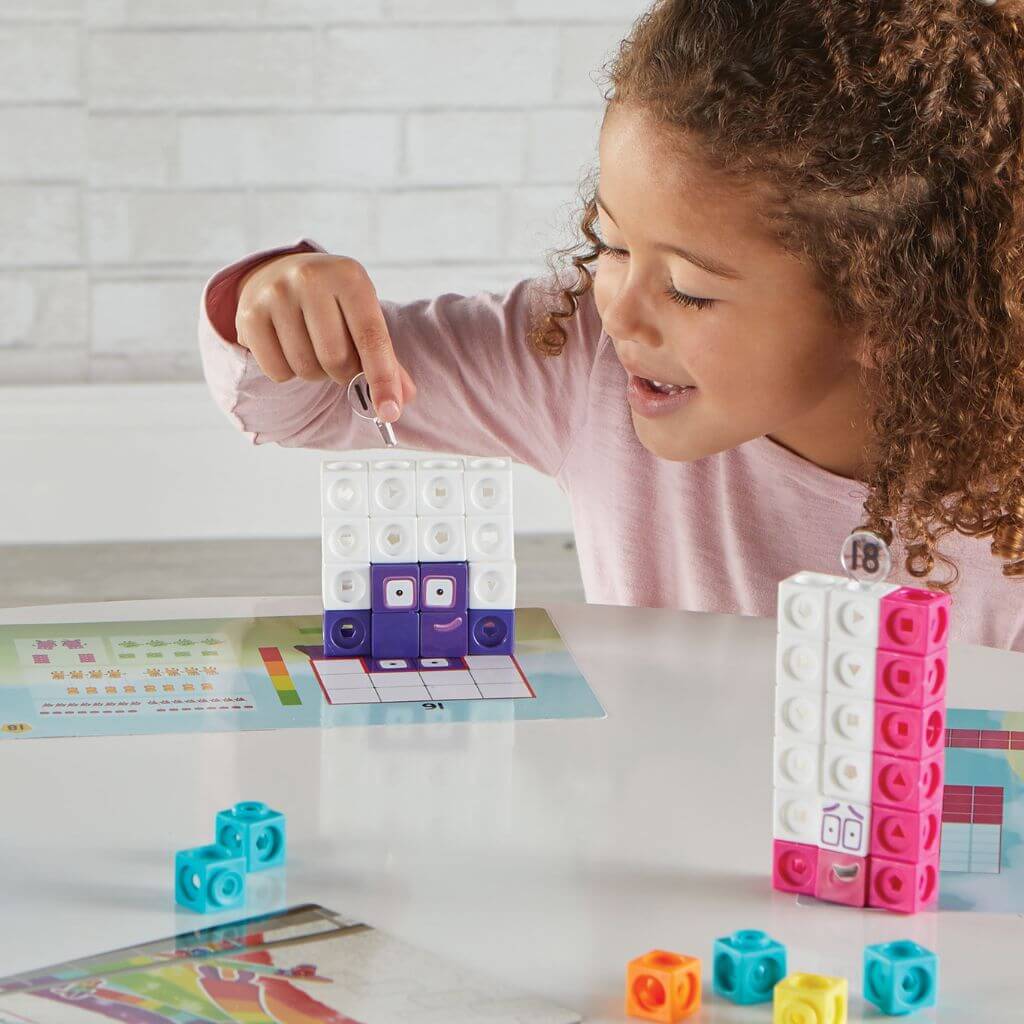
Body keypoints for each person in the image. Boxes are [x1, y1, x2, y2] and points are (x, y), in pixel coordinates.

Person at [199, 0, 1024, 651]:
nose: (617, 310)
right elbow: (291, 406)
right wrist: (276, 296)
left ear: (885, 303)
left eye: (692, 291)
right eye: (611, 245)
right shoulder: (583, 368)